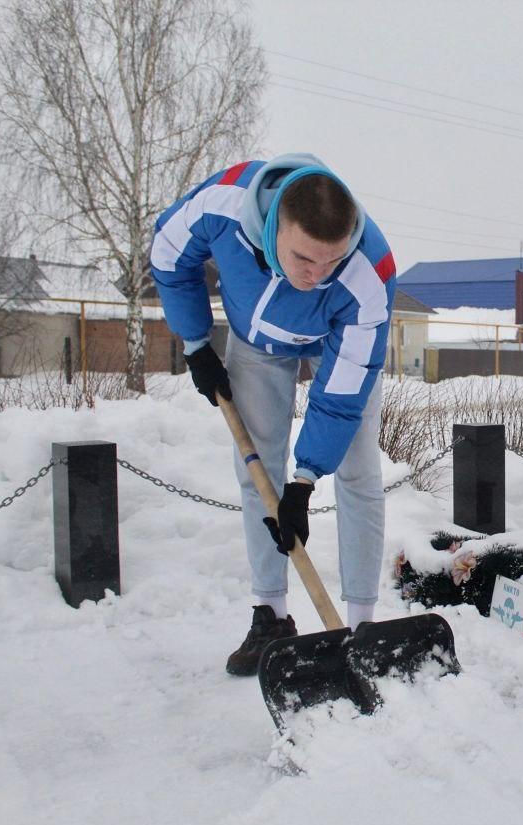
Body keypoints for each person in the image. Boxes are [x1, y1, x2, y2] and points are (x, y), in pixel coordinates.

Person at [150, 153, 395, 676]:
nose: (318, 274)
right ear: (271, 227)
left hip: (335, 339)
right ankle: (272, 616)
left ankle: (360, 625)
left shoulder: (367, 272)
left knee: (358, 472)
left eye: (331, 262)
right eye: (305, 259)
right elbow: (170, 257)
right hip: (256, 342)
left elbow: (343, 390)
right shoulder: (221, 205)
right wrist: (196, 343)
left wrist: (305, 484)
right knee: (257, 467)